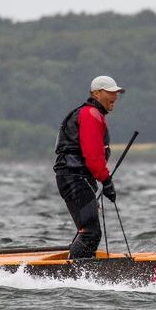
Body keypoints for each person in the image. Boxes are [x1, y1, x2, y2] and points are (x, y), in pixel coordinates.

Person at [53, 76, 125, 259]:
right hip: (74, 178)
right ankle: (75, 277)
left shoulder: (90, 113)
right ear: (96, 93)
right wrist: (107, 182)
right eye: (110, 92)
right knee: (90, 233)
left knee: (87, 229)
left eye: (116, 93)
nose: (115, 96)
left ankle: (77, 268)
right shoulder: (90, 114)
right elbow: (93, 156)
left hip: (74, 178)